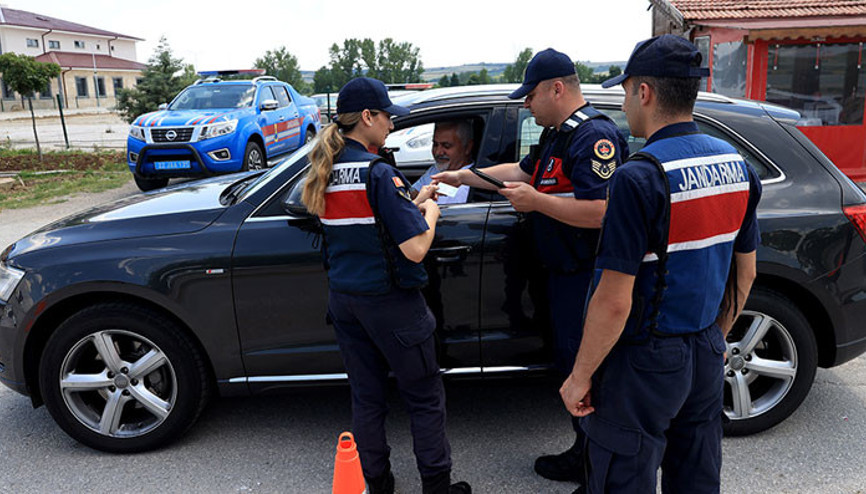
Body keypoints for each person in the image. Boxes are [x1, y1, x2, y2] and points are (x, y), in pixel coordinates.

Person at [560, 35, 761, 493]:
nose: (626, 103)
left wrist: (580, 377)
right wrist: (713, 337)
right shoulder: (738, 166)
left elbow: (613, 301)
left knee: (623, 475)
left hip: (645, 362)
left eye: (627, 91)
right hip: (707, 349)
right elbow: (744, 273)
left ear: (644, 92)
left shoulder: (639, 177)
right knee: (695, 473)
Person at [434, 48, 628, 486]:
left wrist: (538, 203)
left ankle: (601, 473)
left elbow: (603, 209)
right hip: (559, 274)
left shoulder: (593, 136)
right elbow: (524, 173)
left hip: (585, 277)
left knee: (592, 375)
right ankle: (583, 453)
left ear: (557, 89)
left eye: (531, 95)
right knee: (569, 367)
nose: (526, 104)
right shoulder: (556, 134)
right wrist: (464, 176)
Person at [301, 77, 470, 494]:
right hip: (392, 305)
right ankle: (437, 486)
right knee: (425, 397)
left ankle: (378, 484)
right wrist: (429, 211)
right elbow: (413, 249)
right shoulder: (379, 173)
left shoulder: (328, 168)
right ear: (367, 117)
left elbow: (365, 227)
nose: (391, 125)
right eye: (387, 117)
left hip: (346, 303)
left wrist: (409, 204)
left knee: (367, 399)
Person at [412, 119, 475, 204]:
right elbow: (413, 193)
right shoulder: (437, 168)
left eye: (446, 146)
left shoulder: (468, 184)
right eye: (435, 145)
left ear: (467, 147)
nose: (438, 152)